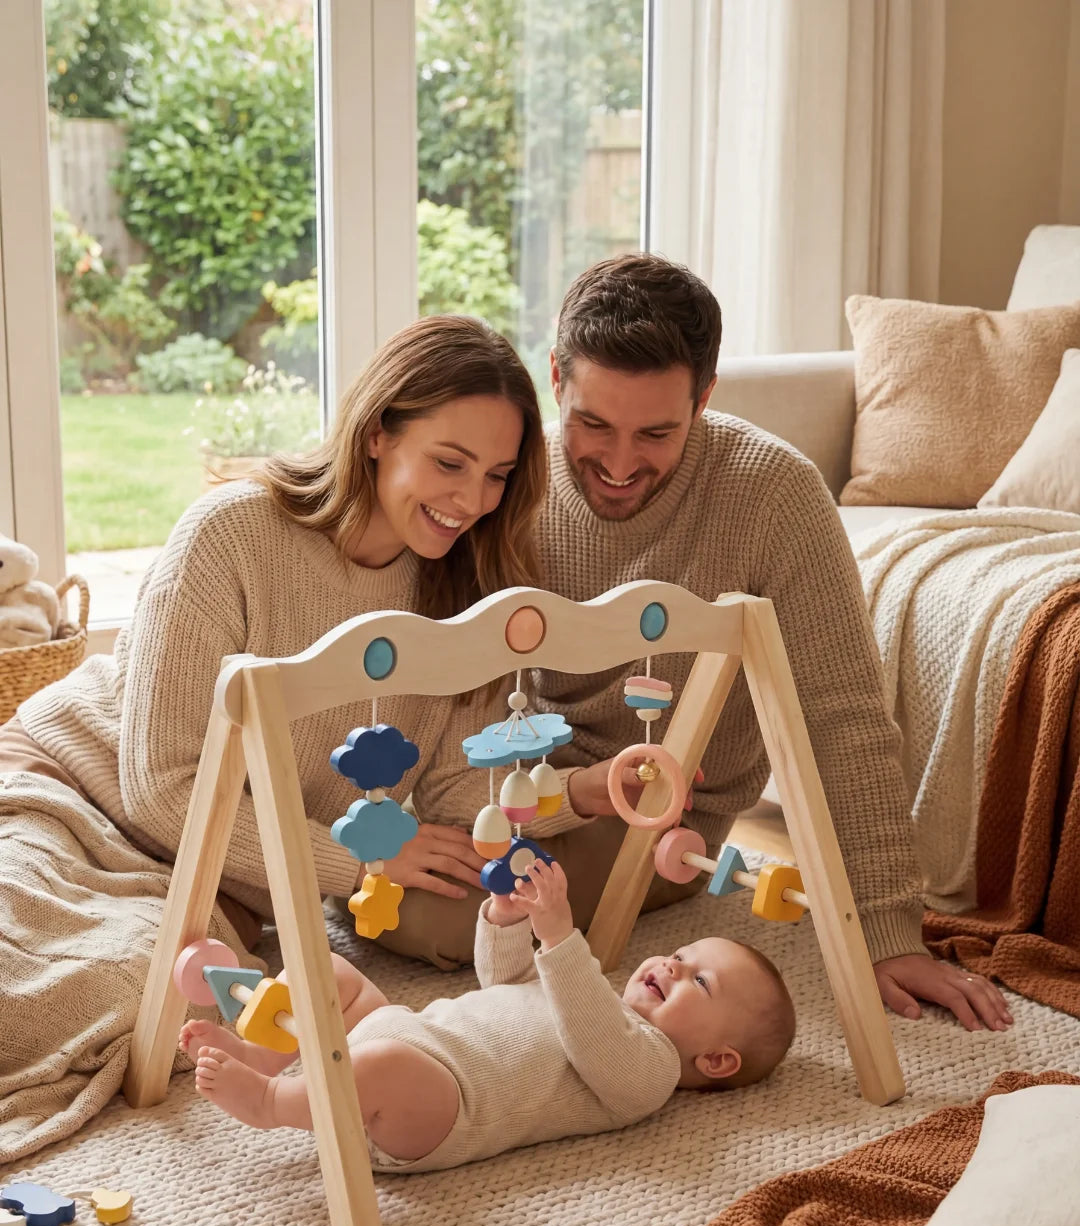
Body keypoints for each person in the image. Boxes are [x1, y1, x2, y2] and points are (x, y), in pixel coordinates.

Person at [391, 256, 1013, 1035]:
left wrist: (888, 931)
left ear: (705, 397)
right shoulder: (508, 481)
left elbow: (842, 716)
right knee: (377, 872)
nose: (619, 464)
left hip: (657, 815)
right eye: (594, 425)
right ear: (555, 379)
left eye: (656, 433)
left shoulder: (772, 493)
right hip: (526, 785)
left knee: (430, 916)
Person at [0, 314, 547, 1161]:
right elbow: (159, 784)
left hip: (216, 880)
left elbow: (450, 796)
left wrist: (578, 792)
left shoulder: (467, 585)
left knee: (128, 1000)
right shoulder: (232, 532)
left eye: (498, 476)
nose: (473, 500)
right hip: (73, 796)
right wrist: (357, 863)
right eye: (450, 463)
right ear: (378, 434)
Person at [184, 859, 796, 1168]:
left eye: (700, 981)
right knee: (329, 972)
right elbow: (509, 983)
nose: (670, 965)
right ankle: (264, 1052)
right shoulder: (592, 996)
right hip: (409, 1030)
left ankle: (272, 1103)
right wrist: (506, 922)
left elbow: (592, 1037)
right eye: (680, 955)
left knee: (386, 1065)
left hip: (438, 1110)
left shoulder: (650, 1073)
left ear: (716, 1060)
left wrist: (559, 936)